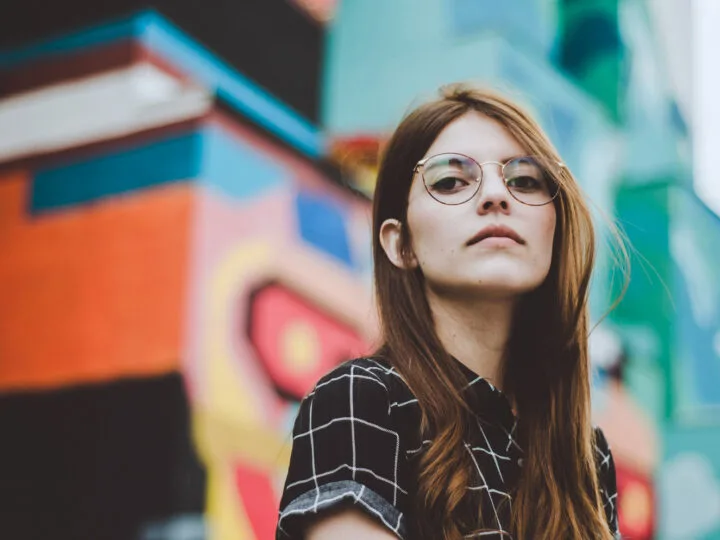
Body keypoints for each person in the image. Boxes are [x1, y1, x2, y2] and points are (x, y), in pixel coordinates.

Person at [275, 83, 621, 539]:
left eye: (525, 180)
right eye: (451, 181)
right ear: (400, 244)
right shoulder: (362, 400)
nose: (497, 196)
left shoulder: (587, 458)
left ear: (554, 231)